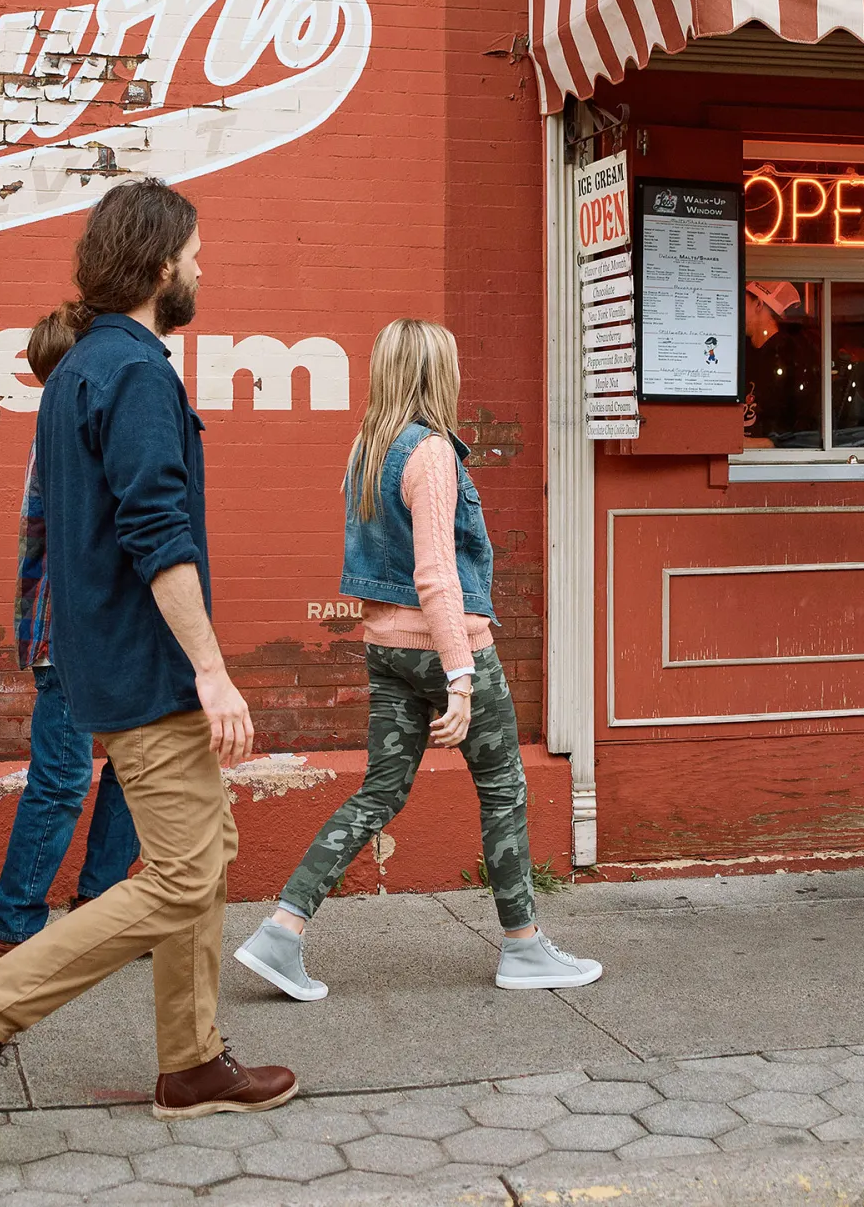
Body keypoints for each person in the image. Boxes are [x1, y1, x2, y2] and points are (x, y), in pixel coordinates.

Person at [0, 179, 297, 1161]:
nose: (204, 266)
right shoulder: (131, 371)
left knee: (203, 850)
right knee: (179, 875)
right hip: (146, 664)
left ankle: (193, 1060)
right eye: (195, 251)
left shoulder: (86, 366)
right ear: (160, 262)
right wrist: (211, 669)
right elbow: (155, 530)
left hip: (113, 660)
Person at [233, 319, 602, 1000]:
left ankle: (280, 932)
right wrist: (461, 676)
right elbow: (436, 573)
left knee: (379, 791)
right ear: (438, 374)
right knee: (504, 789)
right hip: (445, 647)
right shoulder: (430, 452)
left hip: (387, 650)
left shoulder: (367, 447)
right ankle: (523, 948)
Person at [0, 311, 141, 967]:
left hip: (107, 630)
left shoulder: (85, 425)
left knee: (134, 766)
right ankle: (10, 930)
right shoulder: (70, 432)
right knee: (64, 778)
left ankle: (101, 910)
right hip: (74, 632)